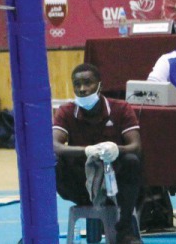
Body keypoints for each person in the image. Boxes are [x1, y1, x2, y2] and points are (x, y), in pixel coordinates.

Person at [53, 63, 143, 244]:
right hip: (81, 184)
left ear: (100, 85)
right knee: (54, 161)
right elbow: (54, 145)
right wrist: (86, 151)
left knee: (132, 160)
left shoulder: (121, 108)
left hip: (115, 184)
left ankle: (124, 230)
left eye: (88, 83)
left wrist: (117, 149)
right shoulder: (66, 111)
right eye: (77, 85)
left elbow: (136, 146)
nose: (82, 89)